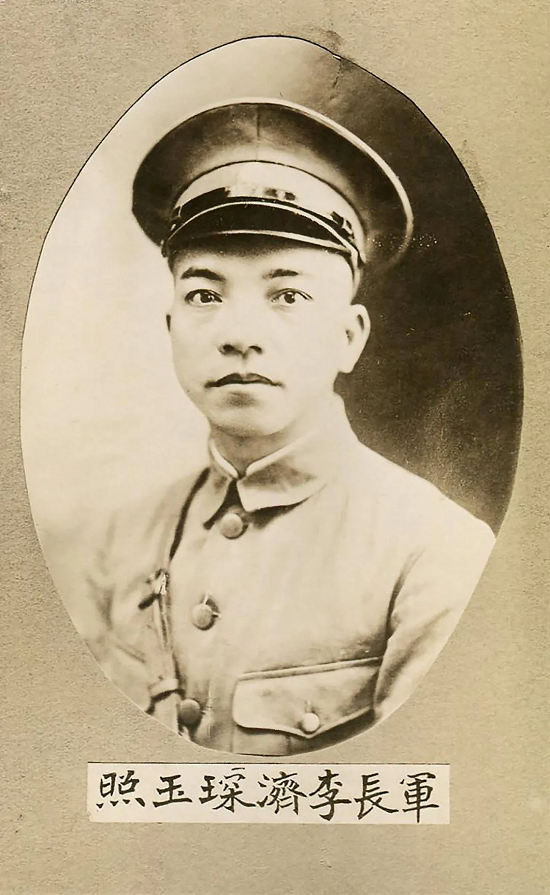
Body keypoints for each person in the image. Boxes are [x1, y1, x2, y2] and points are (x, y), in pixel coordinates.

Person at [76, 99, 495, 755]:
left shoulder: (435, 551)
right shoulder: (118, 543)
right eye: (205, 294)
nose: (239, 334)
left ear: (349, 337)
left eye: (288, 295)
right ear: (171, 328)